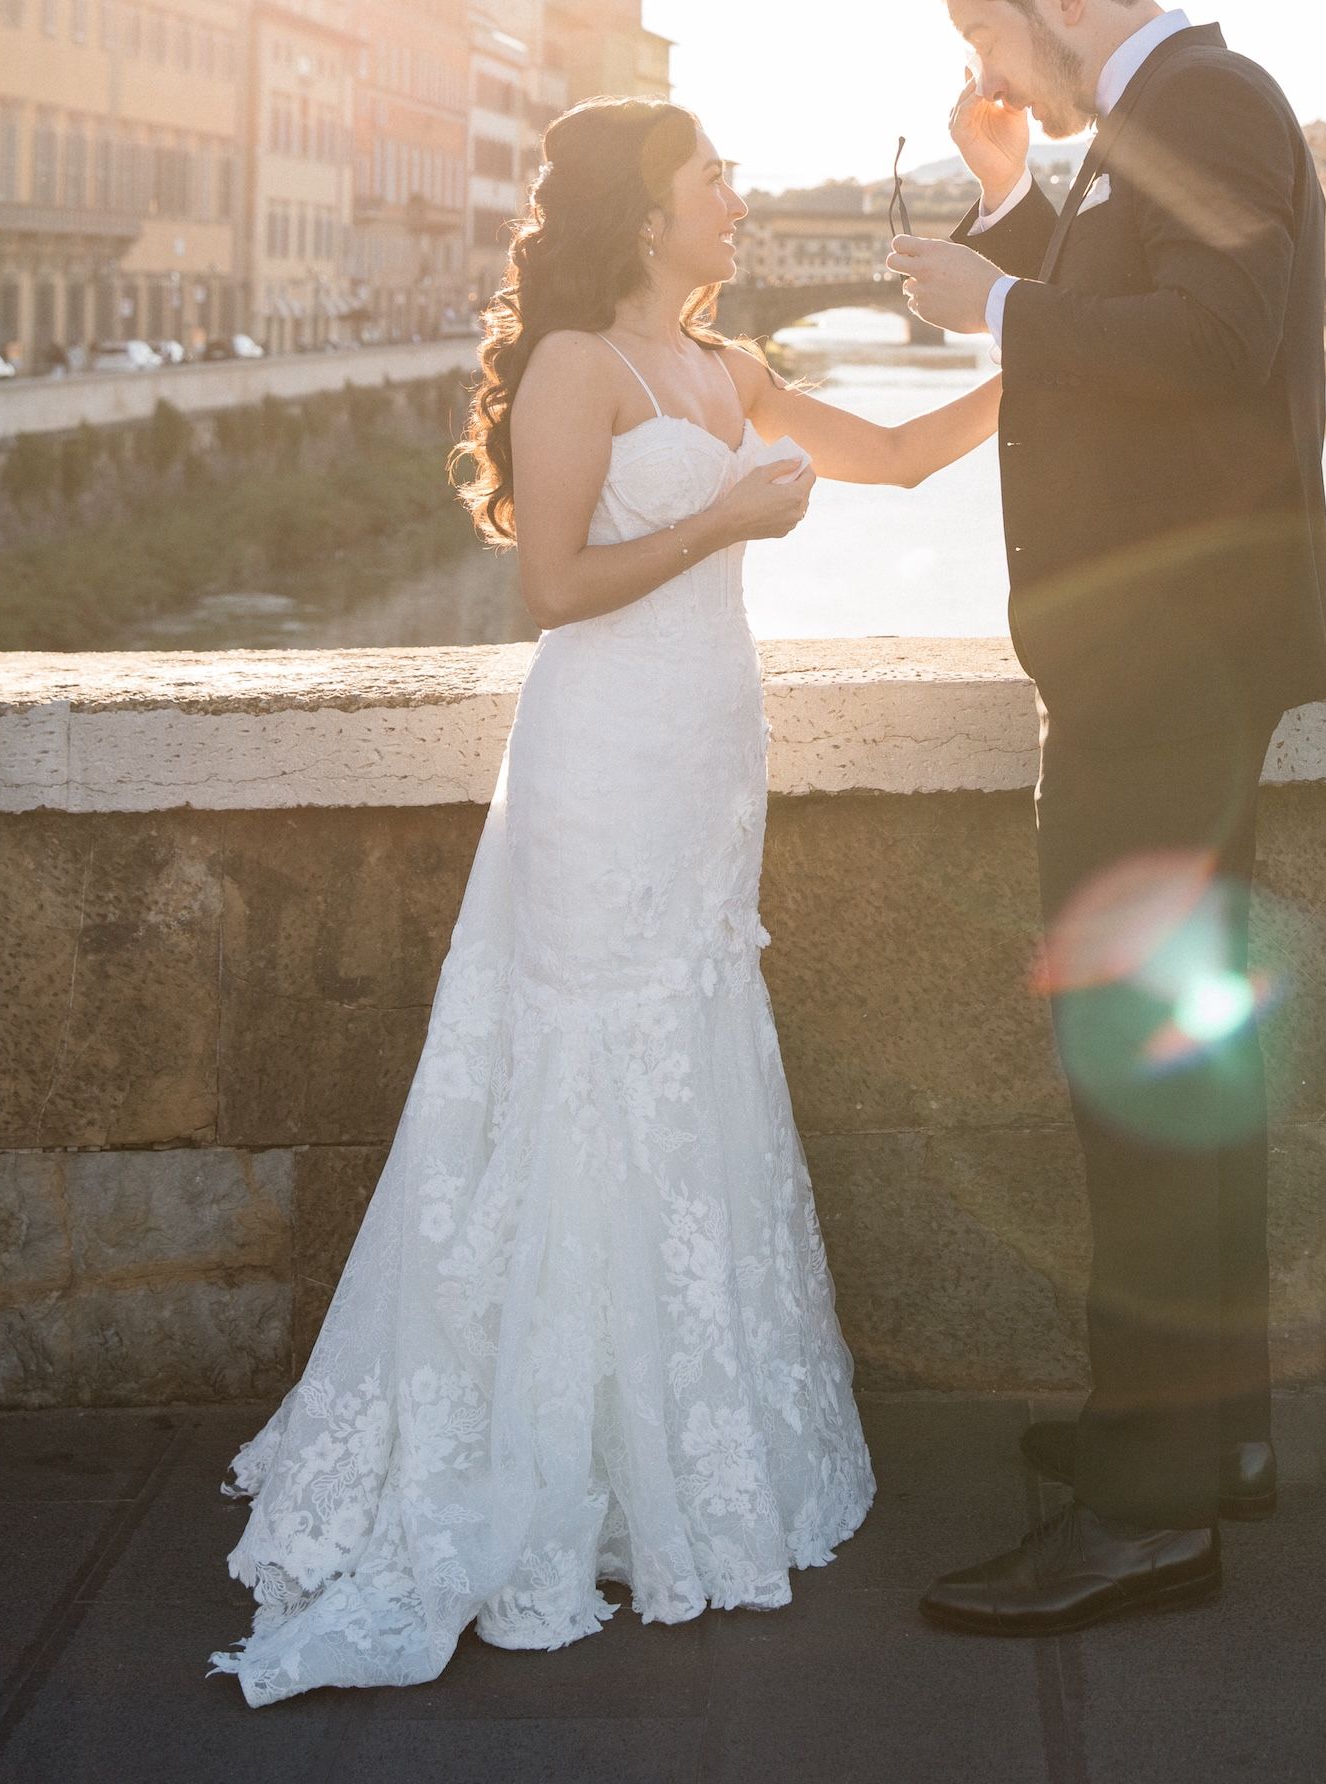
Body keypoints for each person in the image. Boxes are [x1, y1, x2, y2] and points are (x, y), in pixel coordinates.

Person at [213, 95, 999, 1705]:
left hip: (707, 766)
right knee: (585, 1074)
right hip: (599, 763)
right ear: (648, 215)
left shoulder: (736, 369)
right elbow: (552, 586)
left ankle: (668, 1457)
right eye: (714, 176)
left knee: (687, 1059)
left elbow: (910, 460)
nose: (738, 192)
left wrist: (1045, 358)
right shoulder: (580, 368)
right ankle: (546, 1459)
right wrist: (719, 517)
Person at [887, 0, 1326, 1639]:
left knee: (1132, 1074)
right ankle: (1200, 1438)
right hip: (1172, 666)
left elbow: (1206, 345)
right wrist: (1011, 210)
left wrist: (989, 303)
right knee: (1182, 1070)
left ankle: (1152, 1516)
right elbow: (1124, 302)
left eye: (986, 31)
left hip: (1166, 675)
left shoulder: (1203, 97)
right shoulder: (1154, 118)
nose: (990, 64)